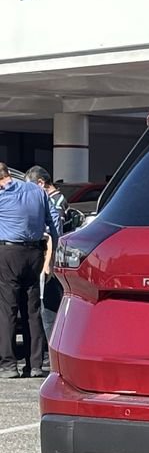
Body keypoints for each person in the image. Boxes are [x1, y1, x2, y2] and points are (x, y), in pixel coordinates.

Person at [0, 162, 61, 378]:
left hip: (9, 253)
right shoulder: (36, 191)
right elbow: (54, 220)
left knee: (8, 309)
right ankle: (35, 364)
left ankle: (8, 366)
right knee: (32, 308)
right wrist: (54, 251)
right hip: (35, 253)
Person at [24, 166, 66, 353]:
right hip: (47, 256)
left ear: (40, 183)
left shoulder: (57, 202)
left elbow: (55, 231)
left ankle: (50, 352)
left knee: (48, 309)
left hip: (51, 257)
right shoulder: (50, 200)